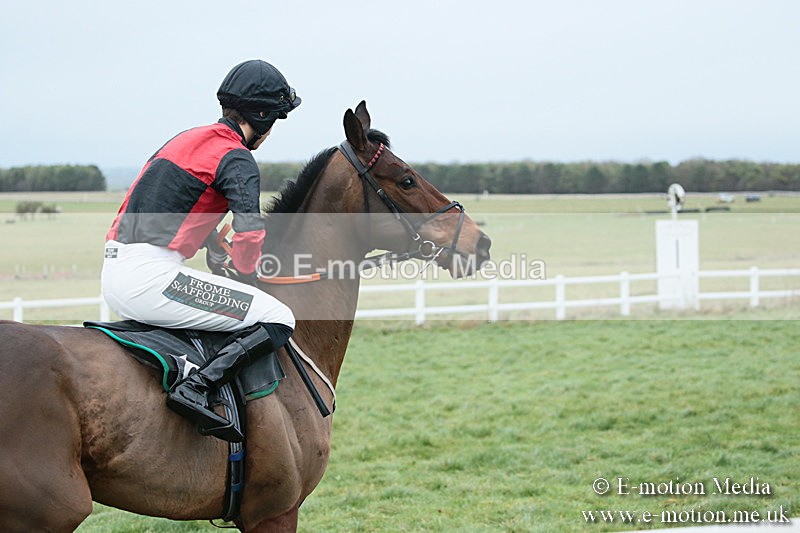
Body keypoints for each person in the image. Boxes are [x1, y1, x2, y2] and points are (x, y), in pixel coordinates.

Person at [101, 60, 300, 442]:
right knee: (277, 317)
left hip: (117, 271)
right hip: (151, 278)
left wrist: (213, 245)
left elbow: (177, 201)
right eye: (274, 119)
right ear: (261, 115)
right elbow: (249, 230)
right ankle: (196, 388)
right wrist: (248, 277)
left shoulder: (186, 139)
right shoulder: (237, 156)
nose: (272, 129)